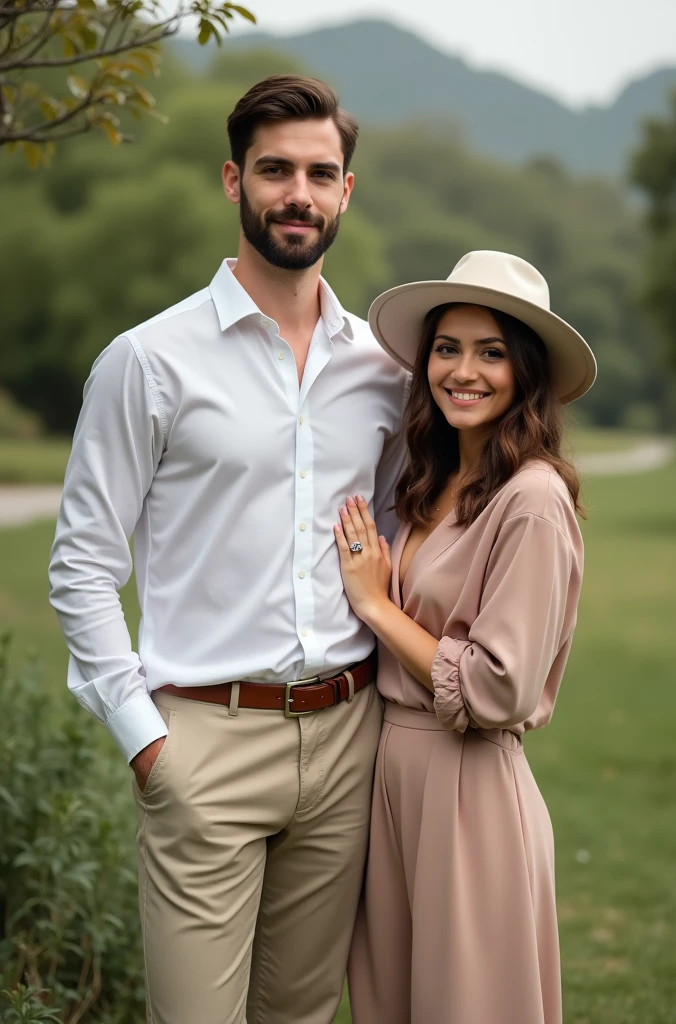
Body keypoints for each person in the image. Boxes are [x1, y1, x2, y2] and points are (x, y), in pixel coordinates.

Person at [48, 75, 408, 1024]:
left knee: (298, 1016)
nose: (298, 191)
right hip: (202, 742)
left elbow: (410, 534)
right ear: (231, 180)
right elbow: (83, 561)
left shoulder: (381, 369)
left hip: (345, 741)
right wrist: (147, 743)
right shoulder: (149, 361)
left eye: (319, 172)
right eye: (275, 169)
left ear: (346, 191)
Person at [333, 250, 597, 1024]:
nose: (464, 371)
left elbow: (495, 686)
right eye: (448, 348)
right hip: (393, 785)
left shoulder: (534, 499)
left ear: (526, 372)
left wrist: (378, 608)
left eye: (491, 352)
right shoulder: (431, 479)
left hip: (468, 793)